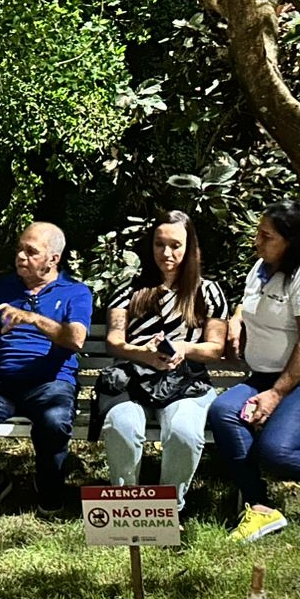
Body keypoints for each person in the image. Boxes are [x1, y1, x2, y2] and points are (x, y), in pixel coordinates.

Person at [206, 200, 300, 541]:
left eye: (267, 236)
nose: (257, 241)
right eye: (258, 233)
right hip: (263, 376)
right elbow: (247, 302)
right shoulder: (262, 267)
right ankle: (259, 507)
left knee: (276, 451)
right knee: (223, 411)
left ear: (290, 241)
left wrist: (277, 394)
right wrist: (236, 320)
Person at [0, 221, 93, 516]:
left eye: (31, 251)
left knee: (54, 422)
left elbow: (76, 339)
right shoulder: (2, 288)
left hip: (51, 382)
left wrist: (33, 318)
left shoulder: (75, 292)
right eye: (19, 249)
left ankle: (48, 485)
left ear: (54, 259)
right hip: (1, 382)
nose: (20, 257)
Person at [97, 211, 229, 506]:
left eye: (176, 245)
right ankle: (126, 506)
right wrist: (141, 352)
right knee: (122, 426)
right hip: (133, 380)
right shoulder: (129, 289)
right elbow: (114, 341)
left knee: (184, 433)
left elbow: (215, 348)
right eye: (160, 244)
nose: (167, 253)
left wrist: (183, 348)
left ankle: (168, 508)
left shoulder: (208, 291)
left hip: (186, 383)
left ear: (190, 247)